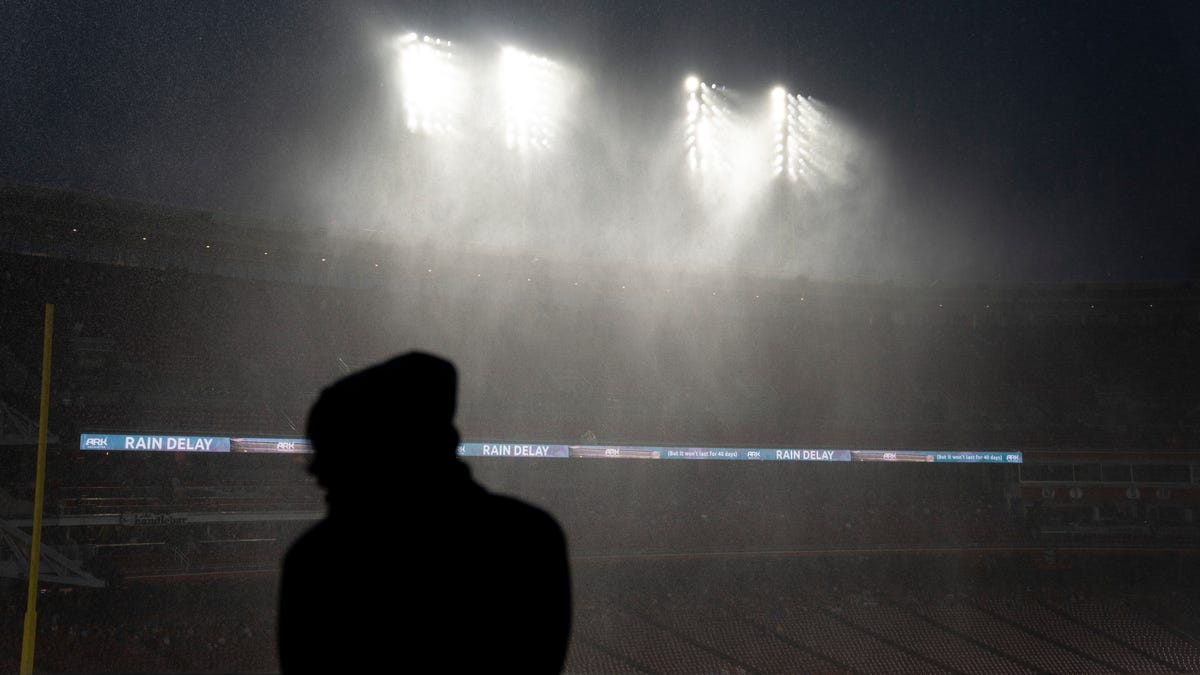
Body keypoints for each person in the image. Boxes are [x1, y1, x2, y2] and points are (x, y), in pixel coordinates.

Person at [278, 351, 572, 673]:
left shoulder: (317, 560)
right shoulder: (530, 537)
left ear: (386, 452)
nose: (315, 472)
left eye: (331, 452)